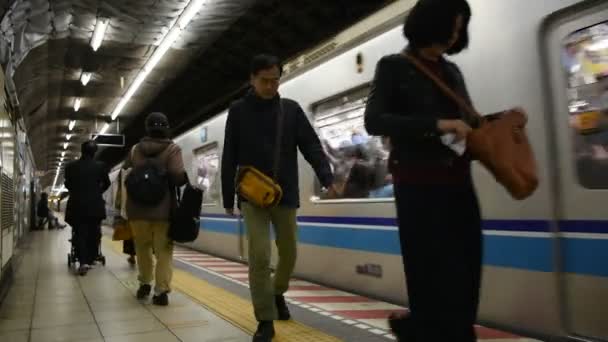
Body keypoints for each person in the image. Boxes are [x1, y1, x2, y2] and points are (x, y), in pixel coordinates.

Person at [363, 0, 497, 340]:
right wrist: (437, 125)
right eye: (452, 25)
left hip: (458, 182)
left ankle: (452, 332)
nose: (456, 33)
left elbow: (467, 120)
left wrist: (493, 124)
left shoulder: (452, 71)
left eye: (460, 26)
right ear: (431, 22)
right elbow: (374, 120)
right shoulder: (393, 67)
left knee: (467, 271)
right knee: (430, 274)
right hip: (418, 186)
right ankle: (427, 329)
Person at [222, 54, 334, 342]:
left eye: (275, 81)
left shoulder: (291, 110)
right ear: (252, 79)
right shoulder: (237, 111)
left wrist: (327, 177)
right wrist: (227, 196)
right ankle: (265, 320)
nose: (271, 86)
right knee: (259, 256)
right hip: (251, 195)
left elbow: (311, 145)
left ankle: (277, 291)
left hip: (285, 194)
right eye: (265, 81)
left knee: (289, 253)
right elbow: (229, 155)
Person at [123, 112, 186, 306]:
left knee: (142, 248)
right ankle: (161, 292)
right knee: (164, 251)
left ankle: (144, 284)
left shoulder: (134, 150)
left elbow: (126, 173)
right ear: (166, 128)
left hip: (136, 211)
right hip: (162, 212)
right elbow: (177, 175)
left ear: (147, 129)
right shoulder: (172, 149)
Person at [64, 140, 111, 276]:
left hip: (76, 205)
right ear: (94, 152)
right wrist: (97, 192)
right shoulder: (100, 166)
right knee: (94, 232)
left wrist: (77, 192)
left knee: (79, 233)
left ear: (81, 151)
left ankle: (83, 261)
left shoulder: (71, 166)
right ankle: (90, 259)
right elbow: (106, 183)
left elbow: (68, 184)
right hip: (95, 206)